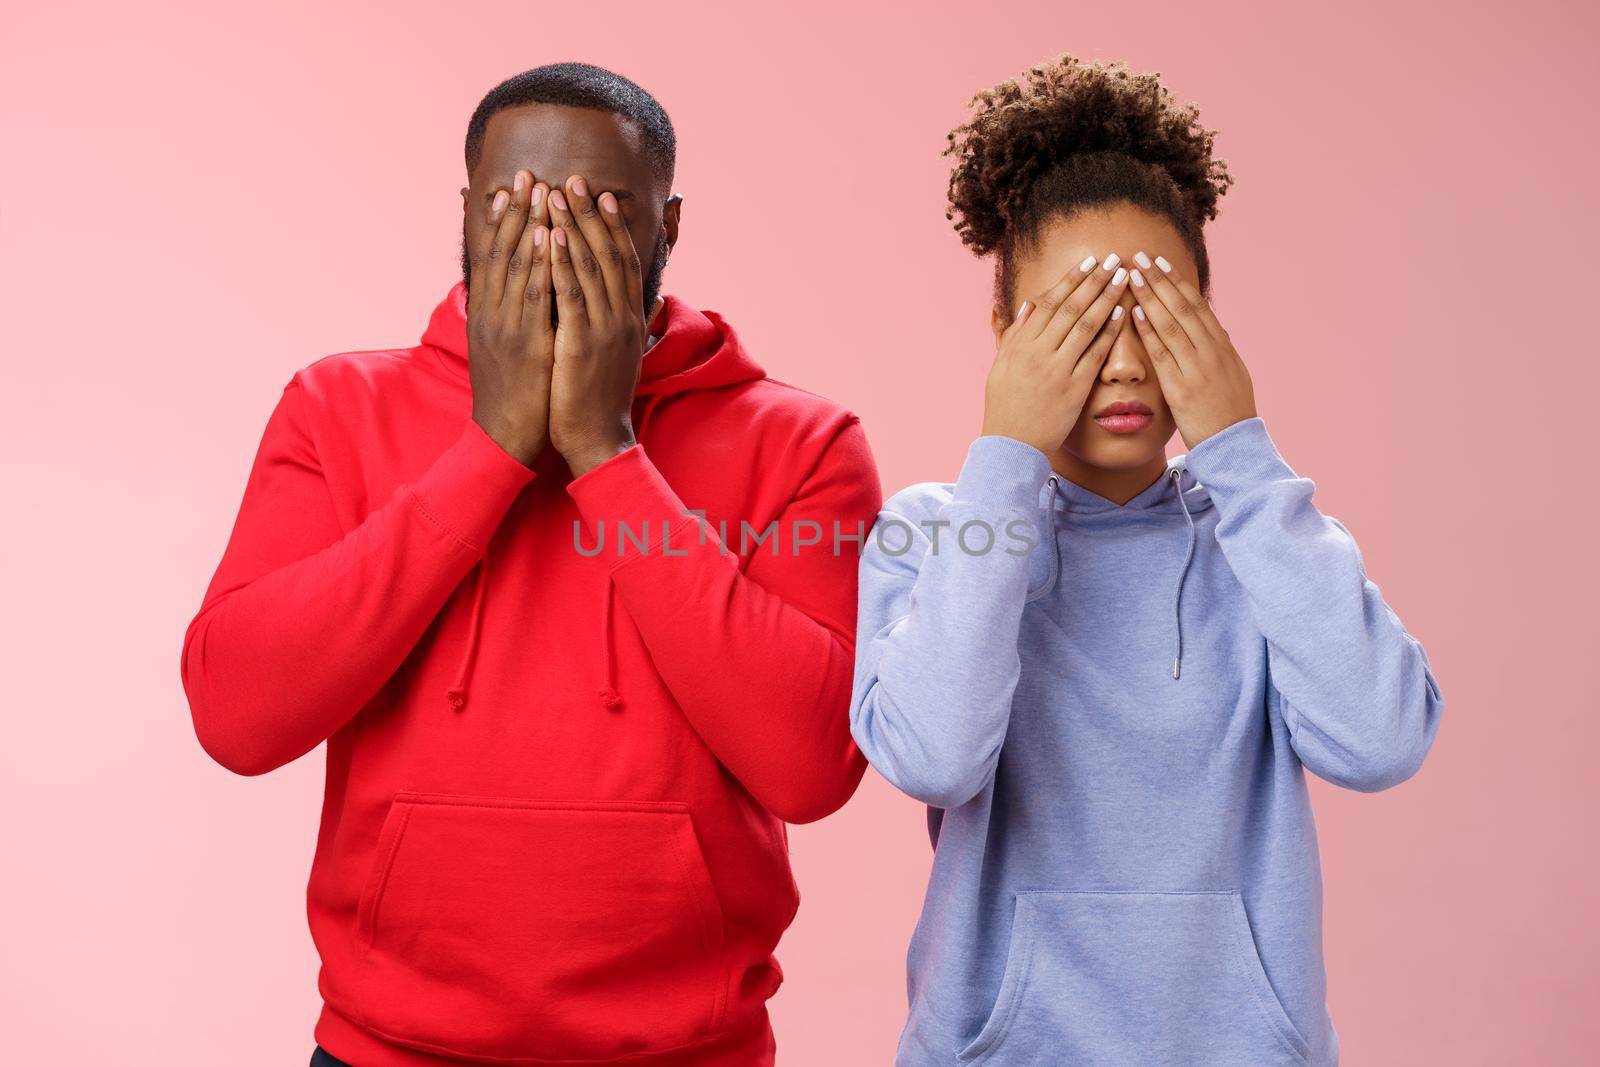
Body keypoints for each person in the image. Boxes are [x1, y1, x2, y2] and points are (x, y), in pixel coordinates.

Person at [182, 63, 881, 1067]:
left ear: (667, 227)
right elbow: (237, 716)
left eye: (602, 209)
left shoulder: (801, 440)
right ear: (466, 215)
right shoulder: (337, 409)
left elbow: (811, 765)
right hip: (386, 1048)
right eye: (515, 208)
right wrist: (494, 449)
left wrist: (604, 452)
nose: (556, 242)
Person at [849, 54, 1443, 1066]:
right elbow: (933, 754)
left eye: (1157, 315)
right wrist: (1004, 458)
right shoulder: (937, 530)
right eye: (1076, 323)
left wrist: (1241, 454)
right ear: (1003, 333)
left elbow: (1380, 741)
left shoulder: (1266, 540)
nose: (1122, 360)